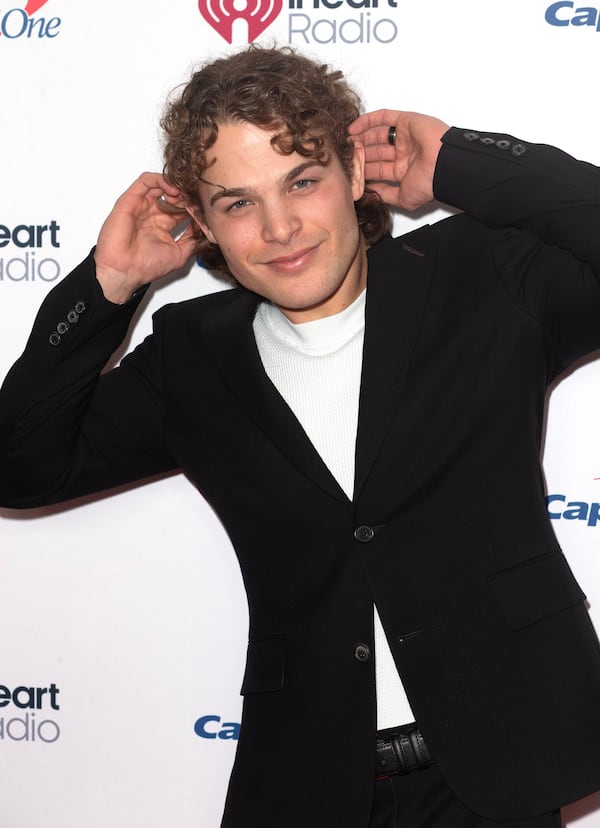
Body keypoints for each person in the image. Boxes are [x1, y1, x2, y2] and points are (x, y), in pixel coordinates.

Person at [1, 44, 600, 828]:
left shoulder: (483, 279)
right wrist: (108, 286)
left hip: (497, 773)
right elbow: (19, 467)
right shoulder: (192, 355)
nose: (280, 228)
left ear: (354, 172)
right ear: (204, 223)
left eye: (302, 180)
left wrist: (457, 162)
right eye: (238, 202)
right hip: (307, 782)